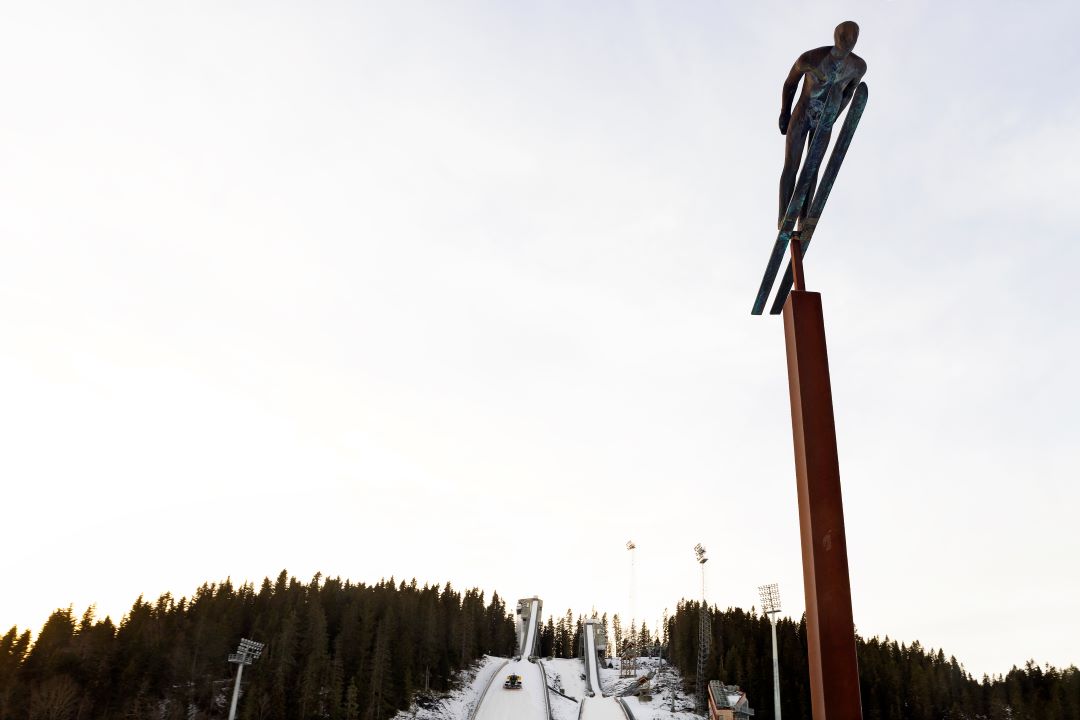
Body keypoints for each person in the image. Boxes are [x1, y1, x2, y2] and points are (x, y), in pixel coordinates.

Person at [778, 21, 866, 228]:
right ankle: (784, 216)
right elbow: (790, 84)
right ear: (836, 38)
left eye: (851, 41)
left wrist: (834, 117)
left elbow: (849, 94)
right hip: (803, 115)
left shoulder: (858, 67)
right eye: (844, 40)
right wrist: (784, 113)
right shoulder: (810, 58)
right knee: (792, 164)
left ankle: (805, 218)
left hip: (825, 119)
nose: (847, 44)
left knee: (813, 167)